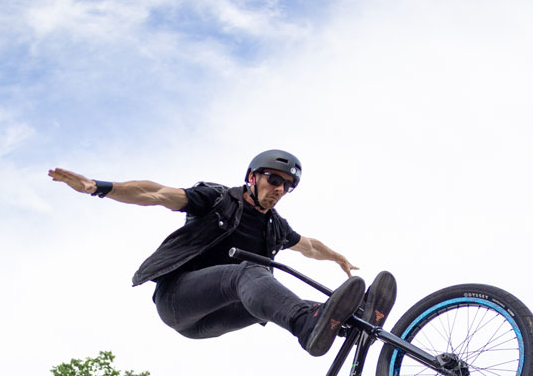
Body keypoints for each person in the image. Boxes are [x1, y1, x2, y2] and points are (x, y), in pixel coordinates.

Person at [49, 152, 397, 360]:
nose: (277, 189)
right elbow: (155, 193)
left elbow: (308, 246)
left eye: (285, 186)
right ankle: (307, 327)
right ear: (252, 177)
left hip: (213, 321)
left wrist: (338, 258)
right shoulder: (216, 199)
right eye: (272, 179)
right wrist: (99, 187)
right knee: (249, 272)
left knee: (286, 298)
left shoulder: (275, 227)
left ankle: (351, 322)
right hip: (177, 300)